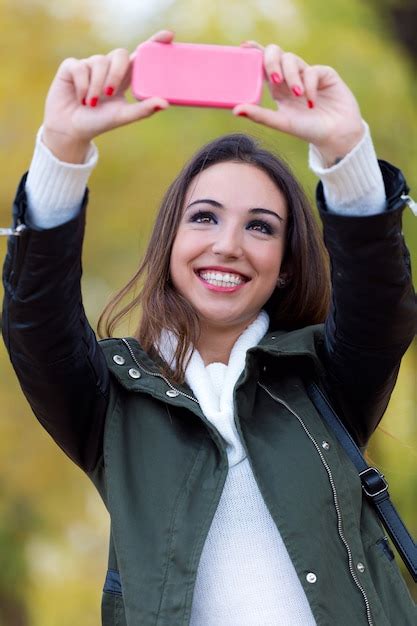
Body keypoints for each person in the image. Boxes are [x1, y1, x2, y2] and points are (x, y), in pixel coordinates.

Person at [2, 28, 416, 626]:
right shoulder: (109, 402)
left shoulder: (326, 378)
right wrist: (63, 149)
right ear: (170, 241)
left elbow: (381, 301)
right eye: (204, 217)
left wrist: (345, 149)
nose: (228, 246)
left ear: (283, 265)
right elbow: (34, 320)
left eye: (260, 227)